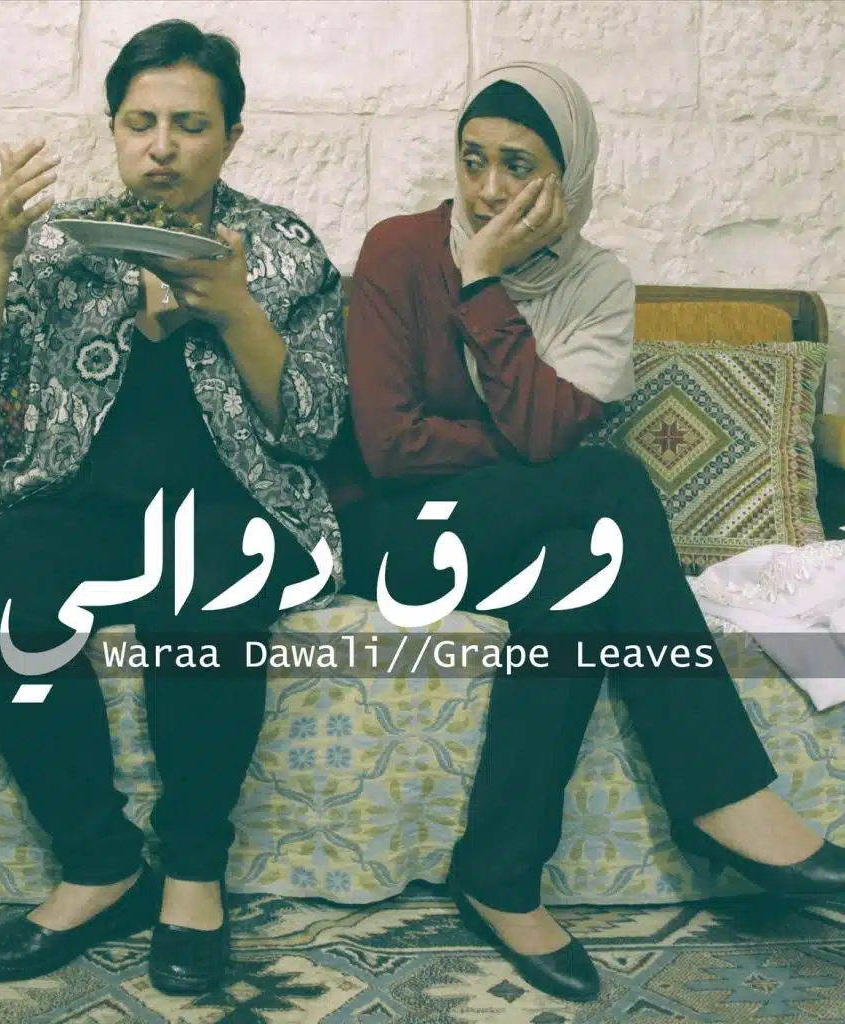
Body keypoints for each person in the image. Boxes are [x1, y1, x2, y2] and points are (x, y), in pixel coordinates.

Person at [322, 61, 845, 1004]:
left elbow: (538, 438)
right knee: (607, 479)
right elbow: (393, 450)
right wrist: (497, 343)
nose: (487, 189)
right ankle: (721, 793)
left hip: (520, 538)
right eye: (472, 159)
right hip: (394, 538)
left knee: (578, 574)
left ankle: (499, 874)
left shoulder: (598, 284)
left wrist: (484, 290)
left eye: (518, 165)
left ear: (570, 173)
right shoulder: (398, 250)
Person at [0, 19, 346, 995]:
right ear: (114, 129)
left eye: (189, 125)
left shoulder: (283, 248)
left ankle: (193, 873)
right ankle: (100, 865)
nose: (162, 146)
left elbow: (316, 426)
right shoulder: (67, 243)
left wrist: (232, 306)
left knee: (204, 598)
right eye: (139, 122)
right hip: (86, 500)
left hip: (240, 503)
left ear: (231, 136)